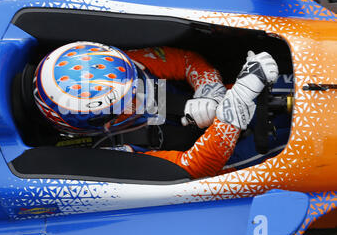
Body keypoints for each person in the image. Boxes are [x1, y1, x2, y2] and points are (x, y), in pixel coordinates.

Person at [33, 42, 279, 180]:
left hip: (230, 94)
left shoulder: (114, 66)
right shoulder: (105, 155)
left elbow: (185, 60)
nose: (140, 95)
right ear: (99, 124)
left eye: (135, 83)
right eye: (125, 103)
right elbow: (194, 168)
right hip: (225, 155)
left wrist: (208, 90)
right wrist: (238, 103)